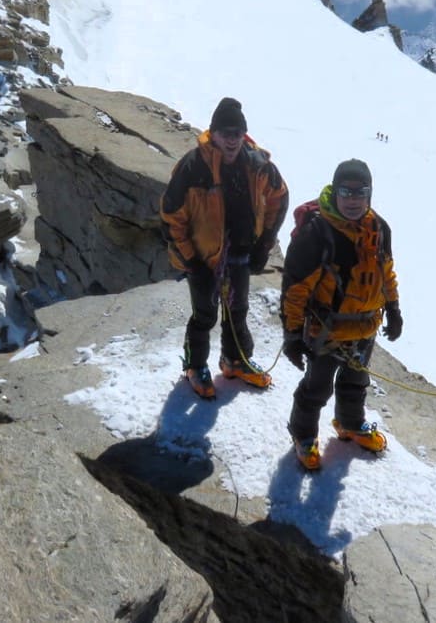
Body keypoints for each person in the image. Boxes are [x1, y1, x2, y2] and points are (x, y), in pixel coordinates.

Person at [160, 97, 289, 400]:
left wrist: (264, 243)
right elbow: (170, 217)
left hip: (241, 252)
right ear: (213, 133)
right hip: (203, 258)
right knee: (204, 315)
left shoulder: (258, 164)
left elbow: (278, 198)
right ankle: (195, 366)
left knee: (237, 310)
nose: (231, 140)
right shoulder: (193, 166)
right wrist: (191, 261)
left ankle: (235, 360)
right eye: (225, 132)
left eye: (237, 133)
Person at [280, 159, 403, 471]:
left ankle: (349, 423)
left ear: (369, 194)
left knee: (356, 381)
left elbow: (385, 272)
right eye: (345, 192)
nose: (352, 200)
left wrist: (393, 308)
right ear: (334, 192)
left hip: (365, 327)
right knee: (316, 388)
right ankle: (303, 434)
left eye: (359, 192)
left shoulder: (379, 228)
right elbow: (296, 290)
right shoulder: (317, 233)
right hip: (327, 331)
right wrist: (293, 335)